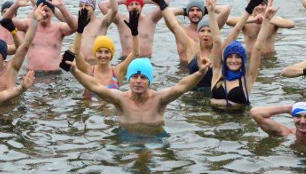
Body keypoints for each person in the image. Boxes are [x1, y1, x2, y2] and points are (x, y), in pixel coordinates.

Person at [66, 55, 210, 128]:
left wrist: (200, 73)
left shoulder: (159, 99)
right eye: (134, 76)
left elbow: (181, 86)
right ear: (128, 79)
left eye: (143, 77)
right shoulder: (120, 99)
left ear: (149, 81)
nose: (138, 81)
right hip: (126, 139)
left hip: (155, 139)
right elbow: (95, 86)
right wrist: (75, 71)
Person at [207, 0, 276, 110]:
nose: (233, 60)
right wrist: (211, 12)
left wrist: (266, 20)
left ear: (243, 59)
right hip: (215, 123)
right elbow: (217, 40)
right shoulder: (217, 71)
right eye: (230, 57)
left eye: (238, 57)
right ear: (225, 58)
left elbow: (258, 47)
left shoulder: (248, 78)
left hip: (239, 122)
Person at [72, 7, 141, 98]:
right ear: (95, 54)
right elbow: (76, 52)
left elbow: (136, 53)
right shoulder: (88, 71)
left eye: (107, 52)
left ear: (111, 55)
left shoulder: (117, 72)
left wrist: (134, 32)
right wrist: (79, 31)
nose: (103, 55)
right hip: (91, 111)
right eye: (99, 52)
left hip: (111, 111)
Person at [5, 0, 77, 71]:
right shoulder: (28, 25)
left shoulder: (59, 28)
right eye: (41, 10)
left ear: (52, 12)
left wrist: (61, 7)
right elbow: (5, 21)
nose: (44, 13)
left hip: (54, 76)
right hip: (32, 75)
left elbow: (75, 27)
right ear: (35, 11)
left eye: (47, 10)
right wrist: (16, 5)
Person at [163, 0, 231, 63]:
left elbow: (226, 9)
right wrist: (184, 11)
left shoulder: (212, 29)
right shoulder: (181, 31)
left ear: (203, 12)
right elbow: (166, 12)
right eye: (192, 10)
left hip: (207, 70)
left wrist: (208, 9)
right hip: (184, 71)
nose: (195, 13)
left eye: (198, 10)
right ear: (187, 13)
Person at [225, 0, 294, 56]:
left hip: (269, 58)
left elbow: (291, 24)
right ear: (252, 6)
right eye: (257, 4)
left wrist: (267, 19)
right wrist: (252, 20)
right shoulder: (246, 20)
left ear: (267, 6)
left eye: (263, 4)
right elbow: (229, 21)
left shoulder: (274, 20)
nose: (259, 7)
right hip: (251, 57)